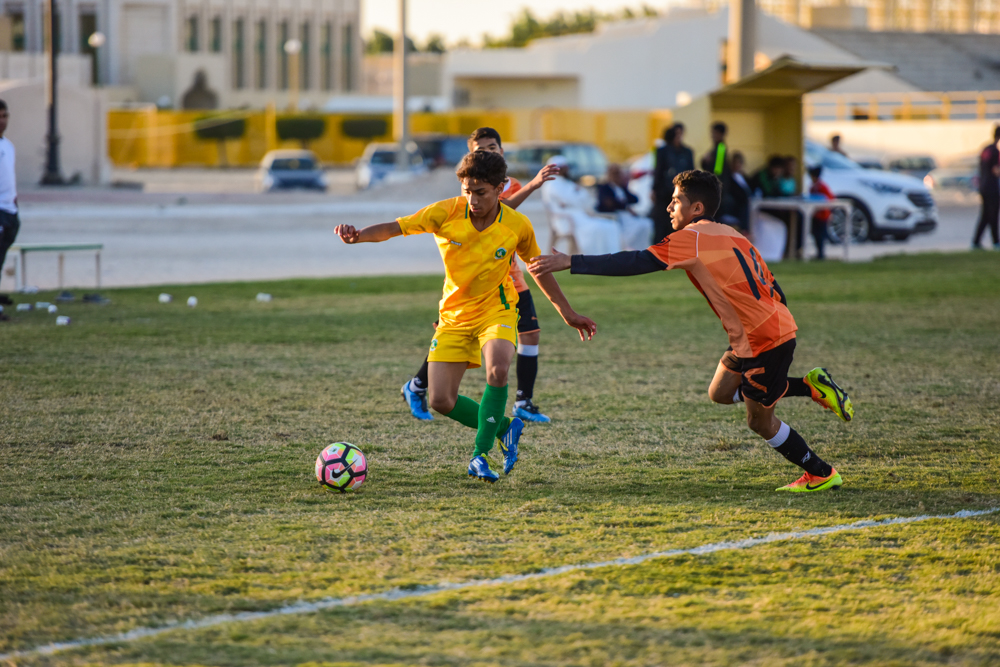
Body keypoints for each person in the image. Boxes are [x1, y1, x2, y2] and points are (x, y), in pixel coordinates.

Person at [529, 169, 854, 493]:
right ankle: (811, 387)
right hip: (757, 332)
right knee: (720, 393)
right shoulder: (731, 233)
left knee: (759, 422)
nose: (669, 208)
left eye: (676, 201)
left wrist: (572, 261)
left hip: (762, 339)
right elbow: (775, 287)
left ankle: (821, 472)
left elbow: (637, 261)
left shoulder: (691, 238)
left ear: (696, 208)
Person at [335, 150, 596, 483]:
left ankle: (479, 456)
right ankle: (505, 425)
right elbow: (394, 227)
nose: (472, 199)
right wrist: (358, 236)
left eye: (480, 192)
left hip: (496, 310)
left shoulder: (517, 225)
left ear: (501, 188)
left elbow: (539, 271)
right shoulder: (445, 212)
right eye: (467, 191)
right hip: (453, 317)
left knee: (498, 369)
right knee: (441, 400)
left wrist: (568, 313)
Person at [402, 127, 560, 424]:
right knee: (456, 341)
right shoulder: (474, 188)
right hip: (475, 283)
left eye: (493, 147)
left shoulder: (506, 182)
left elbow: (508, 217)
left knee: (527, 336)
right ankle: (419, 385)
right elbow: (497, 212)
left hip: (511, 279)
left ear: (501, 149)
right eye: (481, 149)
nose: (489, 152)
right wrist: (534, 185)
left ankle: (521, 403)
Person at [541, 156, 621, 255]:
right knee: (596, 229)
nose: (568, 169)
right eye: (565, 167)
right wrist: (576, 197)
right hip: (567, 220)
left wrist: (576, 197)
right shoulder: (552, 184)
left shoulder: (567, 182)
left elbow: (585, 197)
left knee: (610, 226)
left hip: (581, 216)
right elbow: (571, 199)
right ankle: (594, 258)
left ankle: (611, 256)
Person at [651, 123, 695, 242]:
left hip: (681, 192)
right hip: (664, 192)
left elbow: (691, 171)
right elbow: (658, 171)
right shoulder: (663, 151)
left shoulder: (686, 152)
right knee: (662, 223)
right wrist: (655, 189)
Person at [596, 163, 652, 250]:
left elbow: (635, 199)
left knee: (646, 224)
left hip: (626, 215)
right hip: (615, 216)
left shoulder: (621, 187)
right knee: (635, 227)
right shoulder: (604, 188)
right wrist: (625, 206)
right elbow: (608, 203)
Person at [0, 99, 18, 308]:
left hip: (10, 210)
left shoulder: (8, 146)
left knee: (2, 254)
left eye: (5, 116)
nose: (3, 121)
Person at [972, 125, 1000, 250]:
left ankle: (976, 241)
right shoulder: (995, 151)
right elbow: (996, 171)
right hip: (992, 187)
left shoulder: (986, 149)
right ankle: (995, 241)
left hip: (983, 186)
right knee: (993, 215)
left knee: (985, 215)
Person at [807, 165, 835, 260]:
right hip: (816, 215)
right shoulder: (814, 187)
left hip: (822, 215)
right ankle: (819, 253)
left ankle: (821, 254)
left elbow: (830, 199)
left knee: (821, 235)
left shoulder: (821, 187)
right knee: (816, 234)